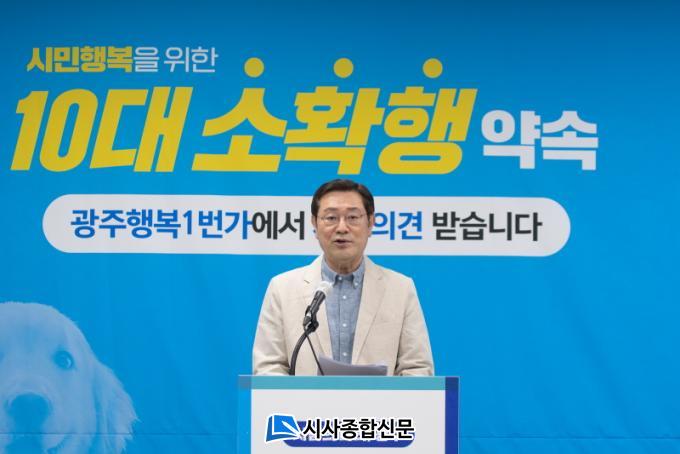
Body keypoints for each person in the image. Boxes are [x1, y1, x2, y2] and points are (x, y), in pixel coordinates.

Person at [252, 179, 434, 376]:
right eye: (331, 218)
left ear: (370, 223)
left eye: (353, 217)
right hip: (306, 399)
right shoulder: (282, 288)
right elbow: (268, 367)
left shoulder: (400, 289)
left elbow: (417, 368)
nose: (341, 228)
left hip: (377, 398)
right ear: (314, 223)